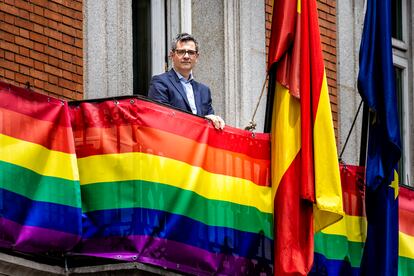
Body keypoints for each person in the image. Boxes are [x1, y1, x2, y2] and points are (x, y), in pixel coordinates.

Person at [148, 33, 225, 130]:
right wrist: (203, 120)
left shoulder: (204, 91)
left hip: (199, 145)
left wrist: (215, 121)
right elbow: (162, 119)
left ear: (196, 57)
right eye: (181, 52)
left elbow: (209, 126)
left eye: (191, 52)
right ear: (172, 55)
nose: (186, 56)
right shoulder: (160, 82)